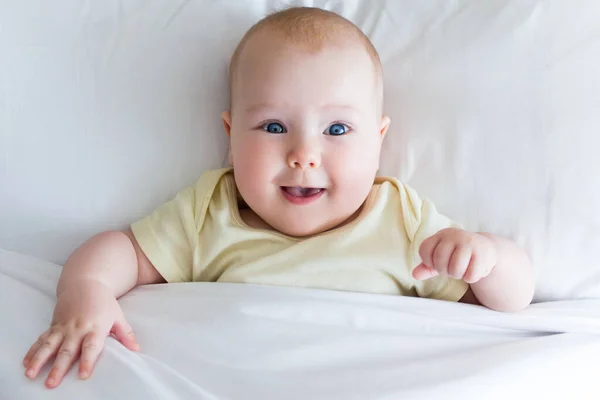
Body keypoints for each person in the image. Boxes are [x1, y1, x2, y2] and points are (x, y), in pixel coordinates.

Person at [22, 6, 534, 389]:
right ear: (230, 134)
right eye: (272, 126)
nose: (303, 154)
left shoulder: (401, 221)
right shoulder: (210, 212)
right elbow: (125, 252)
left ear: (378, 141)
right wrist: (85, 290)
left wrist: (486, 258)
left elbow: (512, 301)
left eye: (337, 128)